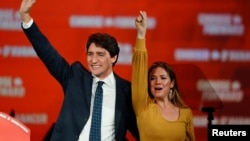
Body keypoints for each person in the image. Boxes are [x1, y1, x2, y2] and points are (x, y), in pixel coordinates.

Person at [19, 0, 139, 141]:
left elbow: (142, 131)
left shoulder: (126, 92)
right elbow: (48, 53)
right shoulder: (75, 78)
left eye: (100, 55)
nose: (93, 60)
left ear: (113, 57)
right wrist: (26, 18)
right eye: (90, 54)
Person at [132, 11, 195, 141]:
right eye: (152, 78)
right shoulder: (143, 107)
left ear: (172, 83)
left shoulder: (185, 113)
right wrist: (141, 34)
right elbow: (139, 71)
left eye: (163, 78)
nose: (157, 82)